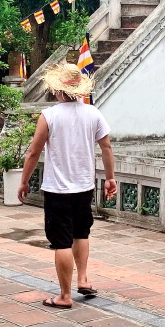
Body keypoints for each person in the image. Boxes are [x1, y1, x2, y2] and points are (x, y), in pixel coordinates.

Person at [19, 63, 116, 309]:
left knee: (61, 241)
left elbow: (33, 152)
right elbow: (106, 147)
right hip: (84, 186)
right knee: (81, 233)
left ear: (57, 90)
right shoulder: (93, 113)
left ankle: (64, 296)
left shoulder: (49, 116)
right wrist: (111, 178)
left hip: (57, 189)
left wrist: (23, 181)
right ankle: (83, 279)